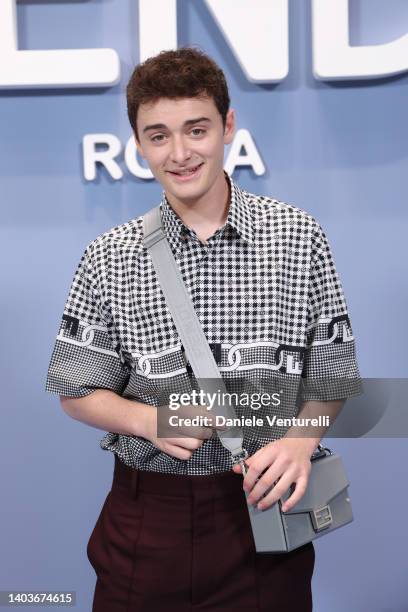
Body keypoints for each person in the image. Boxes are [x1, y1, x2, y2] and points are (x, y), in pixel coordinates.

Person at [45, 47, 362, 611]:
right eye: (158, 135)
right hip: (147, 520)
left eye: (197, 129)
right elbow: (75, 390)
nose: (181, 152)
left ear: (228, 126)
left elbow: (332, 376)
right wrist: (149, 420)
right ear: (138, 144)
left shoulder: (297, 236)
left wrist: (301, 438)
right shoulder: (108, 256)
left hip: (266, 516)